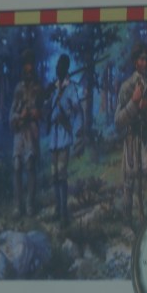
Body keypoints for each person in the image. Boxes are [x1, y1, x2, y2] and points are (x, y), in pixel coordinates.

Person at [114, 41, 147, 224]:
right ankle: (127, 224)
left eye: (146, 59)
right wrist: (133, 102)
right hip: (132, 141)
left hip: (146, 140)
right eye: (141, 59)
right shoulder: (127, 87)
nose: (144, 63)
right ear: (135, 62)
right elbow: (118, 121)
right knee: (129, 184)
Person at [48, 53, 82, 224]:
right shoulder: (54, 88)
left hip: (64, 135)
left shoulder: (71, 88)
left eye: (61, 66)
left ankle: (64, 213)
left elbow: (77, 110)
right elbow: (48, 107)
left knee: (62, 175)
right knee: (54, 175)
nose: (58, 68)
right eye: (57, 66)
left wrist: (72, 126)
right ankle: (56, 209)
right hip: (53, 138)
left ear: (66, 68)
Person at [9, 48, 43, 217]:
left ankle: (30, 205)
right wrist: (19, 116)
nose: (28, 68)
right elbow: (11, 115)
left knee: (30, 166)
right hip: (19, 132)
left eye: (30, 64)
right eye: (26, 65)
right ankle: (18, 205)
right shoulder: (18, 89)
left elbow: (45, 110)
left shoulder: (38, 88)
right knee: (16, 166)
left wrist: (38, 113)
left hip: (31, 132)